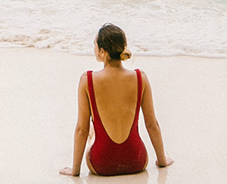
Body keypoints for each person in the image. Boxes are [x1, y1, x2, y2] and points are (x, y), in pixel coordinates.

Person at [60, 23, 172, 176]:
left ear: (102, 52)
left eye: (95, 45)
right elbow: (152, 125)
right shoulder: (141, 78)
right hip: (137, 160)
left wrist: (75, 171)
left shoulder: (88, 80)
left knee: (92, 130)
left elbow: (82, 129)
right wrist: (162, 161)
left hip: (101, 164)